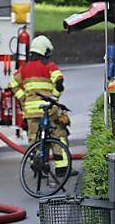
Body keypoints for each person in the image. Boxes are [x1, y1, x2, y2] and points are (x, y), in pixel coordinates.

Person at [8, 35, 72, 176]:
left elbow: (12, 84)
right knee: (58, 135)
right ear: (45, 51)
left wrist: (24, 98)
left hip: (31, 112)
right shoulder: (49, 65)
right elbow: (59, 80)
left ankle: (37, 167)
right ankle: (62, 168)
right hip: (48, 110)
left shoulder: (23, 69)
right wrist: (55, 96)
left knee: (34, 139)